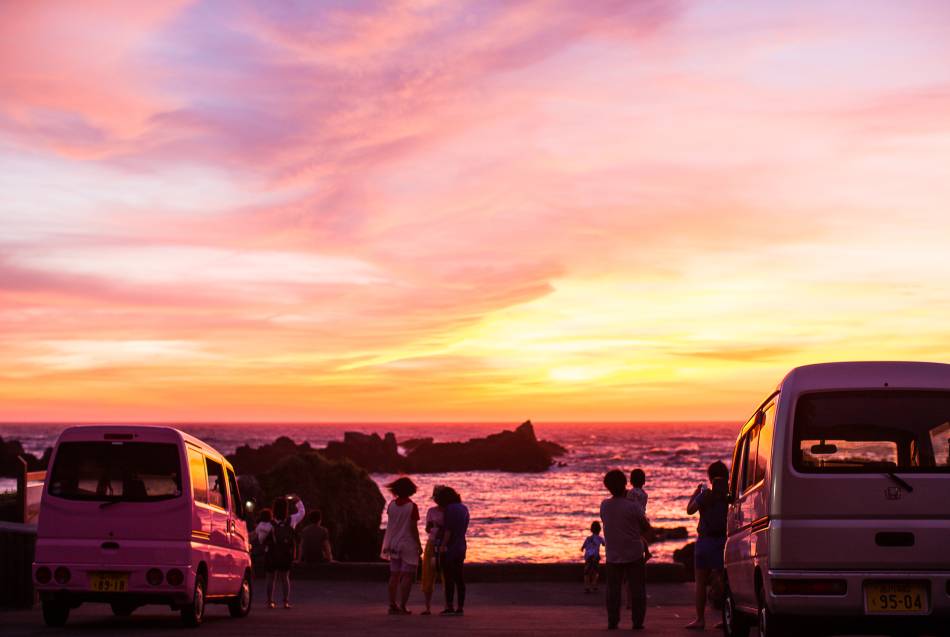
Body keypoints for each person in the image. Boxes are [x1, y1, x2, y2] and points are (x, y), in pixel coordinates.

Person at [600, 469, 648, 630]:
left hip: (613, 553)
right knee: (637, 589)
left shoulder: (604, 505)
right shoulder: (633, 506)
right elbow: (645, 526)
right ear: (625, 484)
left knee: (613, 589)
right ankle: (637, 622)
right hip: (634, 552)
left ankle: (612, 621)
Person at [685, 460, 730, 630]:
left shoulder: (705, 496)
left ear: (710, 478)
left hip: (704, 541)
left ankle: (700, 619)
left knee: (701, 583)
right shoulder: (728, 498)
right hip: (722, 542)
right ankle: (725, 618)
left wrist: (696, 493)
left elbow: (689, 510)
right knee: (725, 582)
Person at [381, 477, 422, 615]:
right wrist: (419, 544)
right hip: (407, 544)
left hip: (393, 544)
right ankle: (403, 606)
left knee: (394, 575)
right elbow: (413, 528)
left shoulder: (391, 505)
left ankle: (392, 605)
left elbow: (392, 524)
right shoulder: (412, 506)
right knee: (407, 576)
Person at [264, 495, 306, 609]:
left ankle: (270, 601)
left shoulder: (269, 523)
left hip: (272, 553)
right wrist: (297, 500)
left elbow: (262, 538)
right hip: (285, 553)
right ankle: (285, 602)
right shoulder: (291, 520)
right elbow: (302, 512)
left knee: (271, 578)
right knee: (285, 578)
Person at [437, 486, 469, 616]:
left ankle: (449, 606)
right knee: (459, 578)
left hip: (450, 547)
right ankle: (460, 607)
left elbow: (448, 530)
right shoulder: (464, 508)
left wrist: (442, 546)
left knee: (448, 577)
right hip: (461, 545)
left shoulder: (449, 509)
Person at [421, 485, 446, 615]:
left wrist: (436, 527)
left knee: (445, 574)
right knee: (428, 573)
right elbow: (427, 528)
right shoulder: (431, 511)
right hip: (432, 543)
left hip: (444, 544)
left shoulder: (449, 511)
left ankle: (447, 605)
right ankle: (427, 607)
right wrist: (434, 527)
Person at [581, 521, 605, 593]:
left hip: (588, 556)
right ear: (599, 529)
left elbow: (583, 546)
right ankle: (594, 586)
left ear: (591, 529)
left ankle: (587, 587)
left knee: (587, 572)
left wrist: (582, 548)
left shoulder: (588, 538)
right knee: (595, 571)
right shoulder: (600, 538)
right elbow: (604, 544)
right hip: (595, 557)